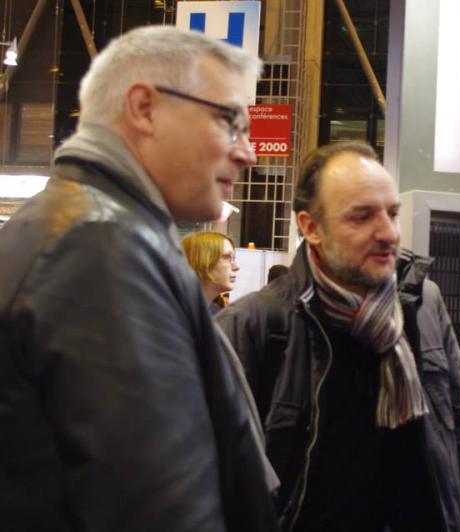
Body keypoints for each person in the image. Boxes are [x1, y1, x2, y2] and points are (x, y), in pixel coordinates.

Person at [0, 26, 279, 531]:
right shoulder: (101, 248)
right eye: (229, 121)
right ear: (144, 108)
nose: (248, 152)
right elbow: (160, 508)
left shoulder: (76, 226)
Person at [216, 141, 460, 532]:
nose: (388, 233)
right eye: (362, 217)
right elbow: (220, 489)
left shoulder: (422, 306)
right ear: (311, 227)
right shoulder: (253, 326)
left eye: (392, 213)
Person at [182, 231, 240, 315]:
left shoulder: (216, 312)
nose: (236, 267)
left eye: (233, 259)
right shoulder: (176, 315)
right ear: (202, 261)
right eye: (227, 258)